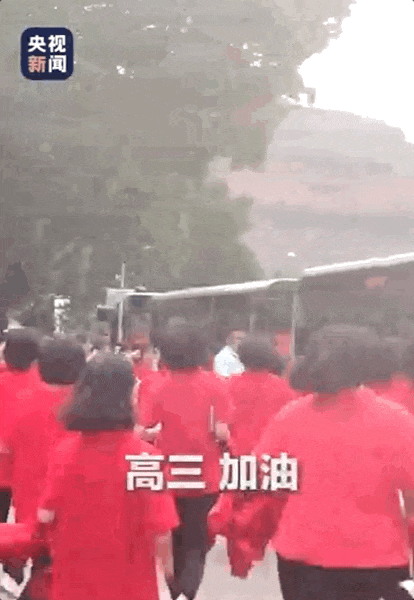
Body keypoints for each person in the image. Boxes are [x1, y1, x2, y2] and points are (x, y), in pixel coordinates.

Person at [246, 324, 414, 600]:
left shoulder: (290, 417)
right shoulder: (396, 420)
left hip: (300, 555)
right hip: (377, 558)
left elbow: (259, 478)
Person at [37, 353, 179, 600]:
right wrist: (169, 575)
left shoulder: (64, 452)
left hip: (74, 578)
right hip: (129, 582)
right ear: (129, 397)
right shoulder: (146, 459)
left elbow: (46, 514)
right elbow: (161, 529)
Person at [139, 325, 232, 600]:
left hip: (167, 475)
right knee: (196, 543)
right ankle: (187, 592)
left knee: (173, 540)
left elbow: (144, 429)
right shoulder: (216, 385)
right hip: (205, 475)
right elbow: (223, 432)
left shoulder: (156, 385)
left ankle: (174, 587)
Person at [228, 335, 295, 456]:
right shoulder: (284, 388)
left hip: (236, 452)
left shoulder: (228, 385)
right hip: (271, 453)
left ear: (241, 356)